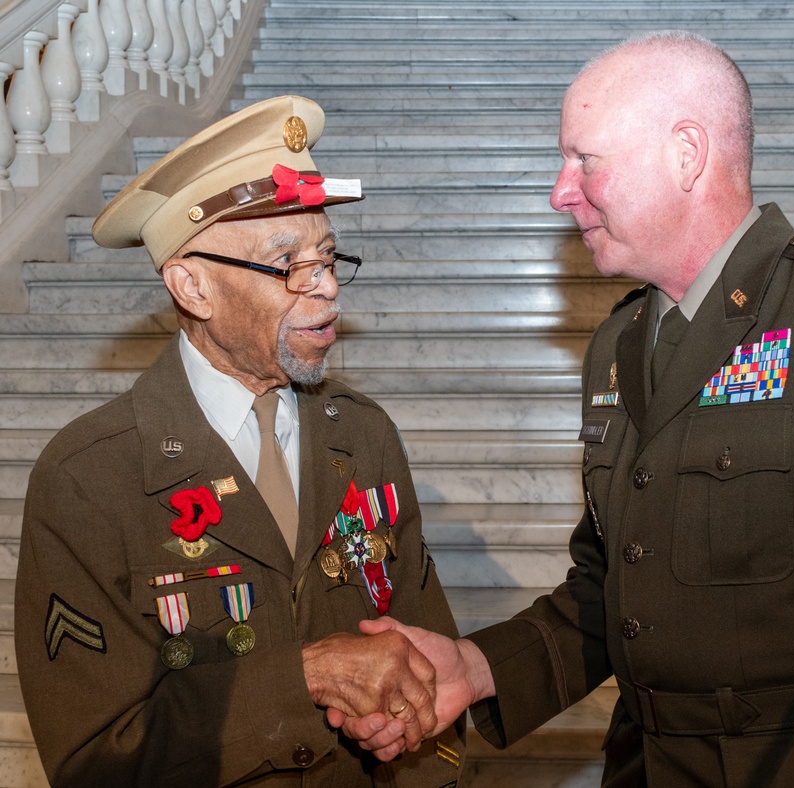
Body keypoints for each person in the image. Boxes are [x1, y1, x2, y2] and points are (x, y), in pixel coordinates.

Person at [339, 31, 794, 787]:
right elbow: (610, 585)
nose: (560, 190)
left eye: (586, 159)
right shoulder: (619, 342)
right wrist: (479, 667)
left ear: (686, 154)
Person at [15, 95, 464, 787]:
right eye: (288, 265)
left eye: (328, 257)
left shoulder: (364, 434)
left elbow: (428, 671)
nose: (328, 292)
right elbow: (94, 761)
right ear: (192, 287)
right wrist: (303, 678)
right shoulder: (88, 479)